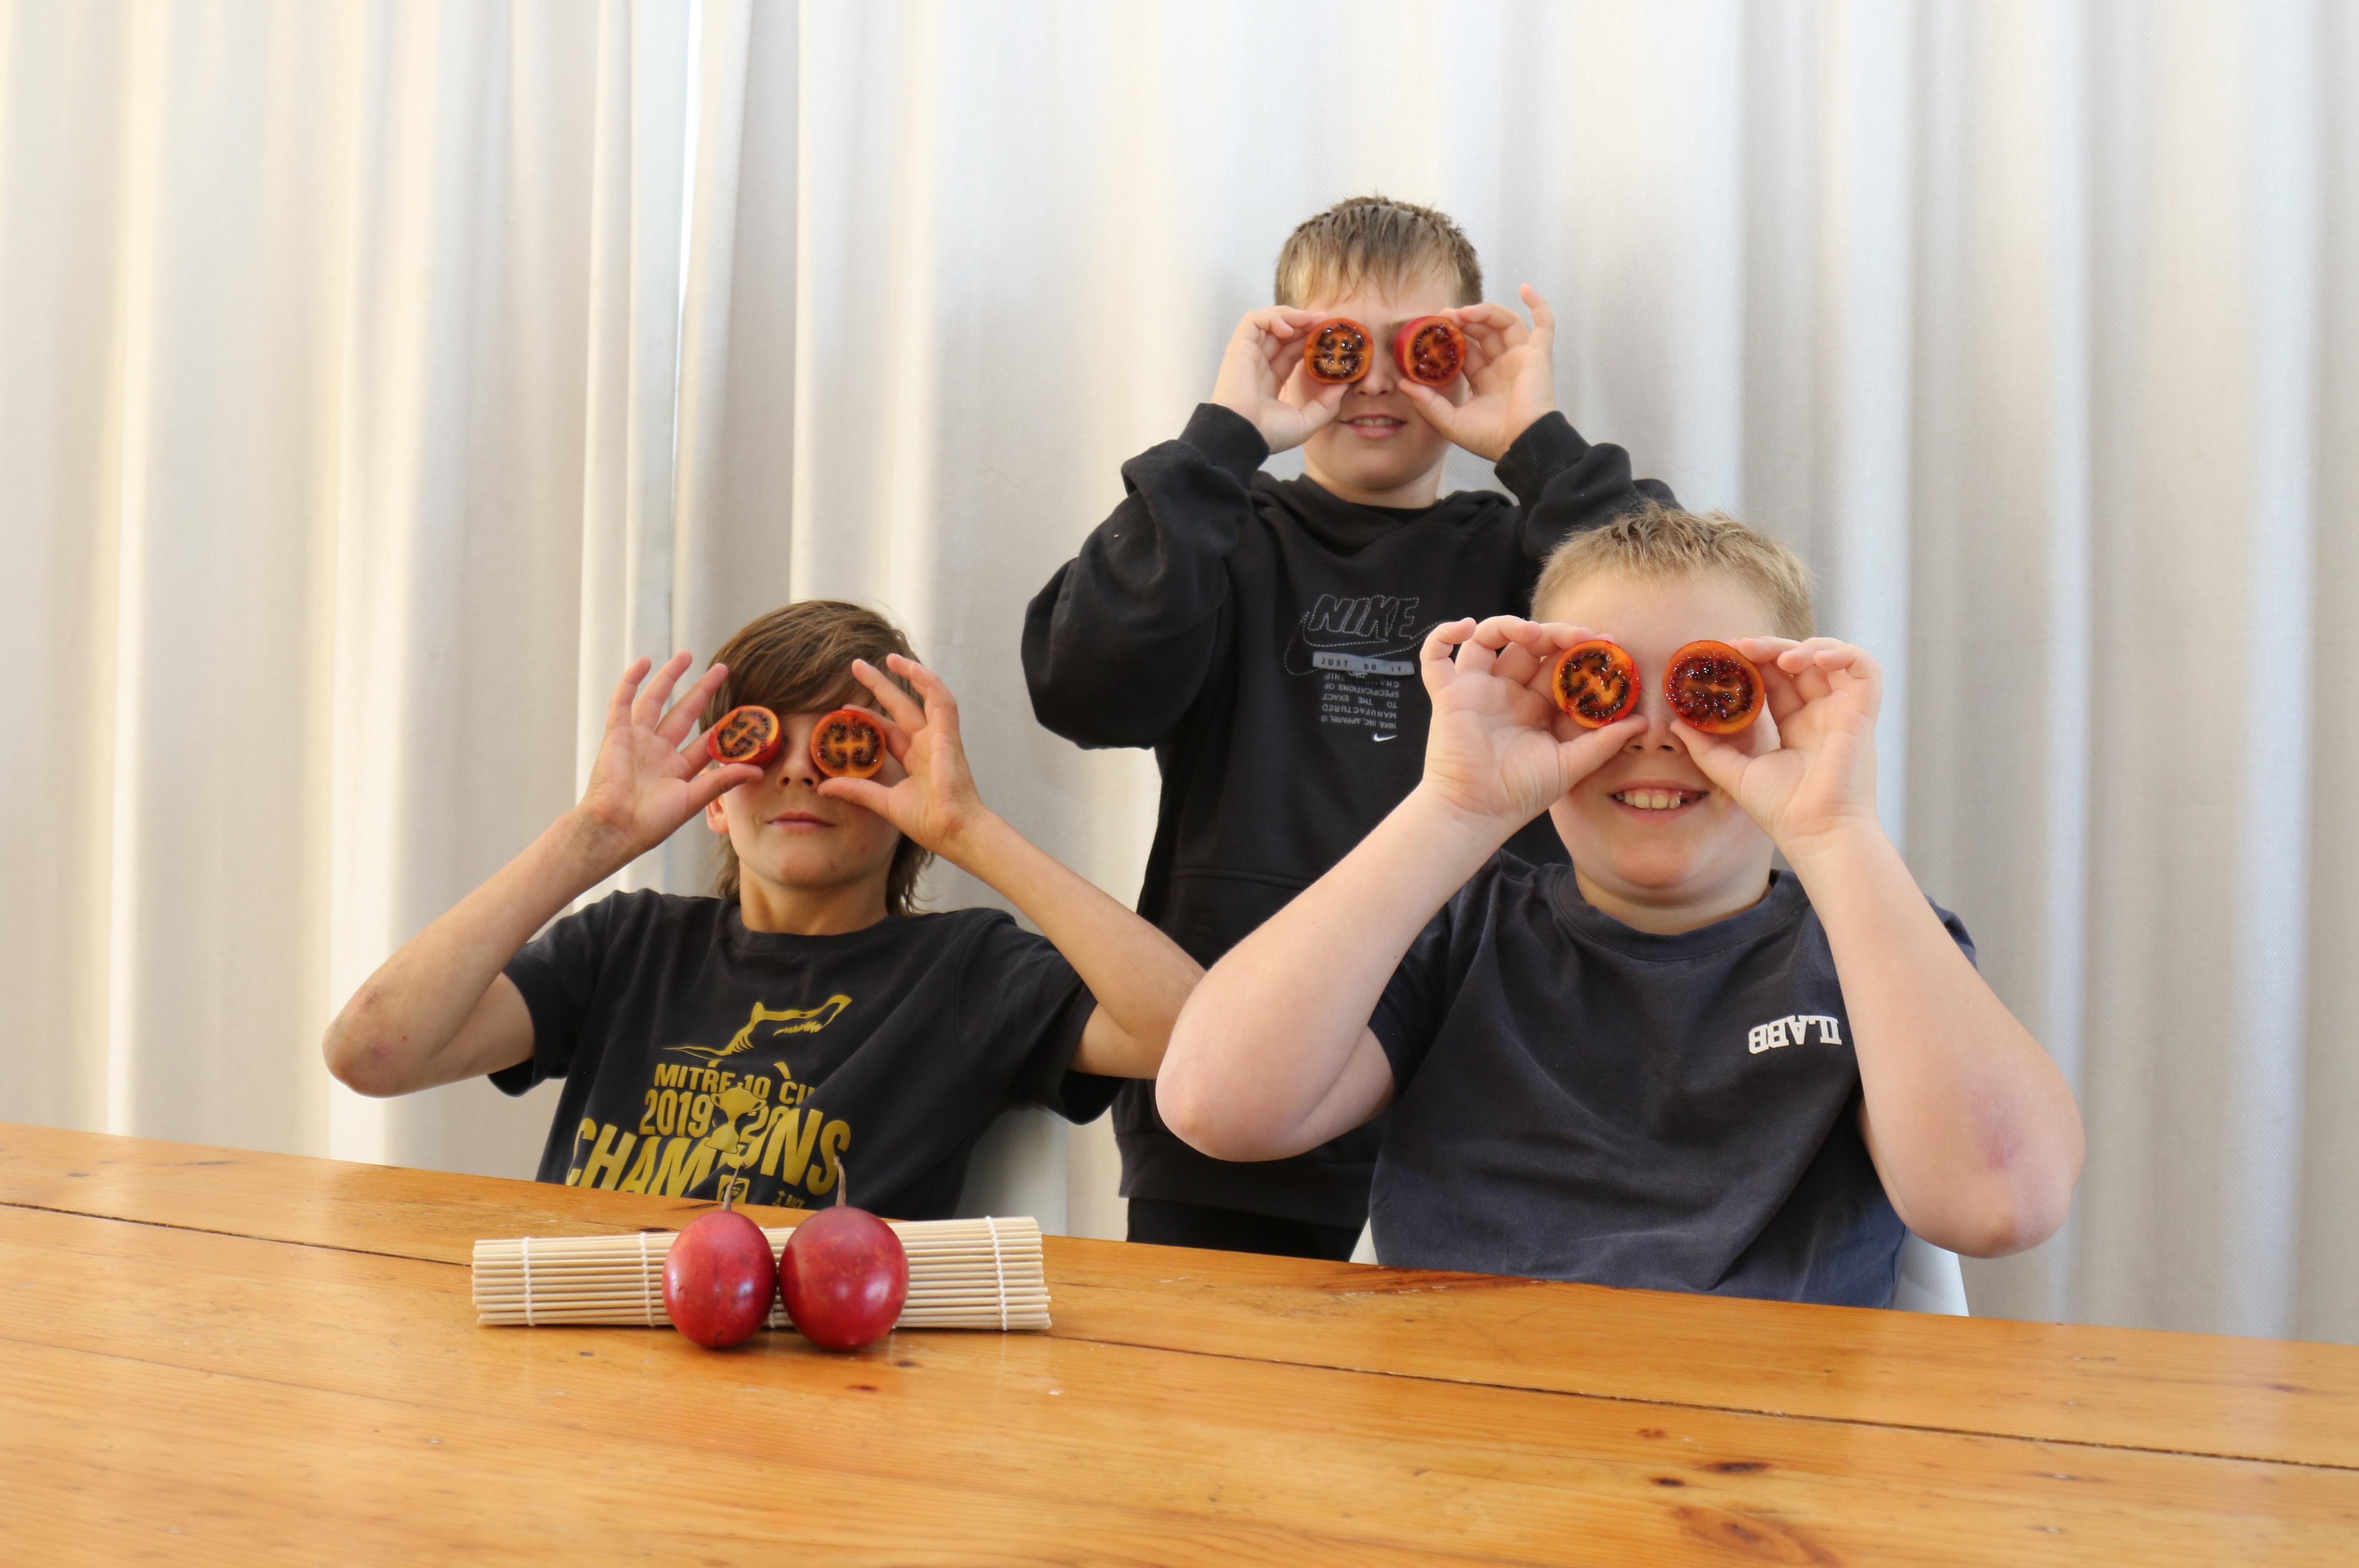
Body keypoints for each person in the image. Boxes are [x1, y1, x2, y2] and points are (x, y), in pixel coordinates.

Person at [1154, 507, 2084, 1302]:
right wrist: (1455, 807)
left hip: (1773, 1426)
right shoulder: (1461, 935)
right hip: (1466, 1409)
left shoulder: (1871, 947)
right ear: (1540, 705)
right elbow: (1216, 1105)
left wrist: (1837, 832)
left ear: (1787, 713)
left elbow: (2000, 1203)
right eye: (1602, 689)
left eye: (1711, 691)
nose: (1654, 734)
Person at [1024, 194, 1674, 1260]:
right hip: (1240, 1084)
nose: (1374, 380)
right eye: (1339, 348)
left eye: (1419, 348)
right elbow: (1084, 688)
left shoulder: (1540, 559)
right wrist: (1222, 444)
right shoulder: (1214, 536)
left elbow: (1676, 658)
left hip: (1501, 1101)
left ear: (1467, 356)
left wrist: (1538, 447)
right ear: (1285, 354)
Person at [325, 601, 1201, 1220]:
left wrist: (971, 828)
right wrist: (592, 836)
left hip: (817, 1384)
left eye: (845, 744)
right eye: (761, 739)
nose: (798, 769)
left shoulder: (965, 975)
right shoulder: (627, 946)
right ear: (714, 796)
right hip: (586, 1355)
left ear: (907, 794)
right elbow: (370, 1052)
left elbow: (1193, 1041)